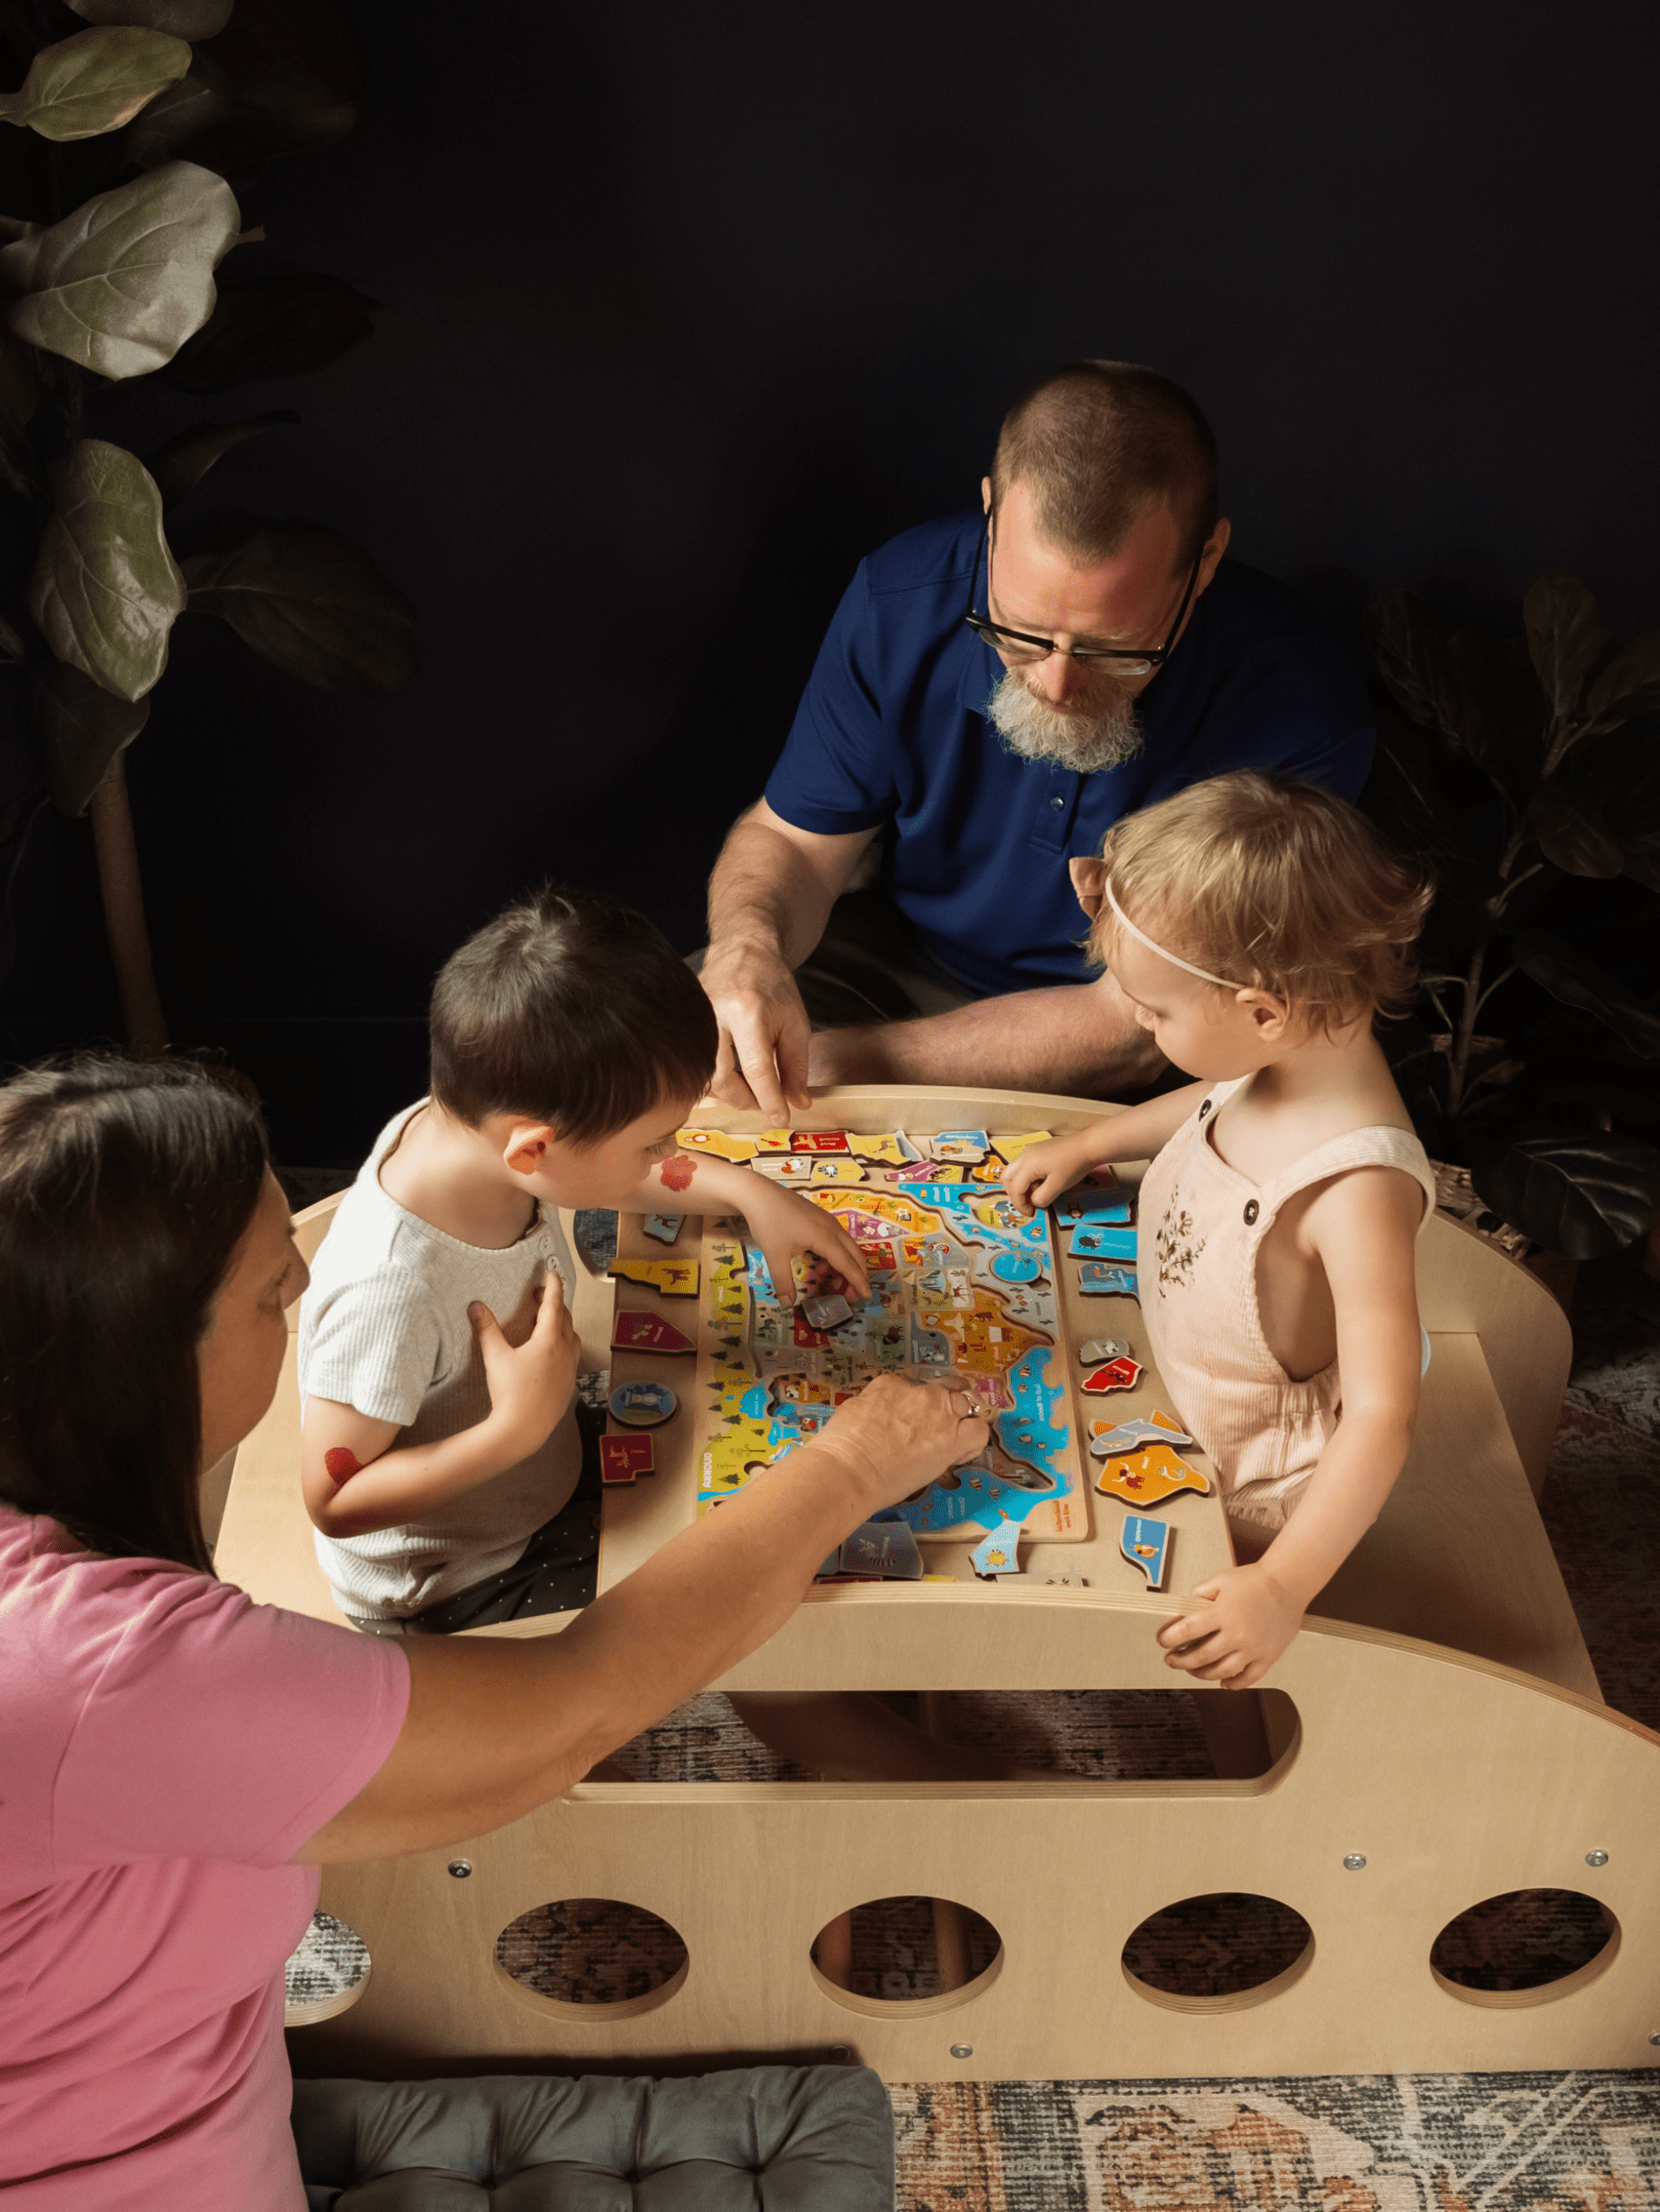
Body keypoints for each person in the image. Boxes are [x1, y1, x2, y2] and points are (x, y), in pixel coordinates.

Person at [0, 1054, 985, 2205]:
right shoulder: (103, 1670)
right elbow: (574, 1710)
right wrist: (851, 1462)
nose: (308, 1293)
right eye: (275, 1289)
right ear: (134, 1362)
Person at [699, 360, 1376, 1117]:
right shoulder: (900, 595)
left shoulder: (1301, 712)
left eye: (1115, 649)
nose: (1054, 687)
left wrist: (830, 1066)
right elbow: (792, 843)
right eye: (1016, 634)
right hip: (891, 961)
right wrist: (747, 950)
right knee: (676, 1050)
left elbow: (1130, 1027)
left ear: (1205, 562)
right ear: (990, 515)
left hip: (1128, 1050)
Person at [299, 887, 871, 1633]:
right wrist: (517, 1427)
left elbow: (598, 1168)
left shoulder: (474, 1129)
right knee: (741, 1608)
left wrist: (751, 1194)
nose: (668, 1154)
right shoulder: (390, 1289)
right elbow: (334, 1501)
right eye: (654, 1140)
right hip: (466, 1574)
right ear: (531, 1146)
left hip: (540, 1449)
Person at [1003, 771, 1436, 1694]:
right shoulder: (1284, 1054)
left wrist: (1277, 1584)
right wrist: (1095, 1139)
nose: (1138, 1022)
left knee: (1203, 1652)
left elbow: (1382, 1415)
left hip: (1248, 1487)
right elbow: (1215, 1093)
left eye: (1153, 1012)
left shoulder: (1354, 1186)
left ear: (1262, 1011)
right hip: (1171, 1386)